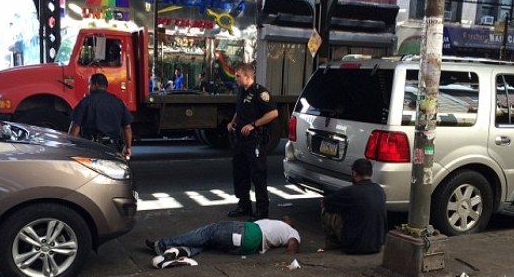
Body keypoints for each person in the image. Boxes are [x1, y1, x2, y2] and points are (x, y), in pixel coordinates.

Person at [226, 62, 278, 220]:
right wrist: (233, 122)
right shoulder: (242, 91)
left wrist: (253, 125)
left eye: (238, 76)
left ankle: (262, 211)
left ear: (247, 76)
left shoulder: (260, 93)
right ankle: (244, 205)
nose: (235, 78)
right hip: (240, 140)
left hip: (254, 140)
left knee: (258, 175)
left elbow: (273, 113)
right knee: (240, 173)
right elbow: (240, 110)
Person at [145, 215, 300, 261]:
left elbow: (293, 246)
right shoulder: (278, 225)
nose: (285, 218)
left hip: (247, 233)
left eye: (287, 218)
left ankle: (162, 244)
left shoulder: (292, 232)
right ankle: (181, 252)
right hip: (246, 244)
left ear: (291, 223)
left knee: (209, 232)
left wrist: (288, 256)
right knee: (209, 241)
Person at [321, 158, 388, 254]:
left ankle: (333, 245)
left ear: (354, 173)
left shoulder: (350, 191)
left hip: (354, 246)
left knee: (327, 212)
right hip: (377, 246)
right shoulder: (380, 190)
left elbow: (325, 203)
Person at [68, 73, 133, 159]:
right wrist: (128, 147)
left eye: (89, 84)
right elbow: (127, 127)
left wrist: (71, 146)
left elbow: (75, 127)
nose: (88, 87)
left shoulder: (85, 102)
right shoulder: (118, 102)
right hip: (113, 148)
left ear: (95, 85)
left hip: (90, 148)